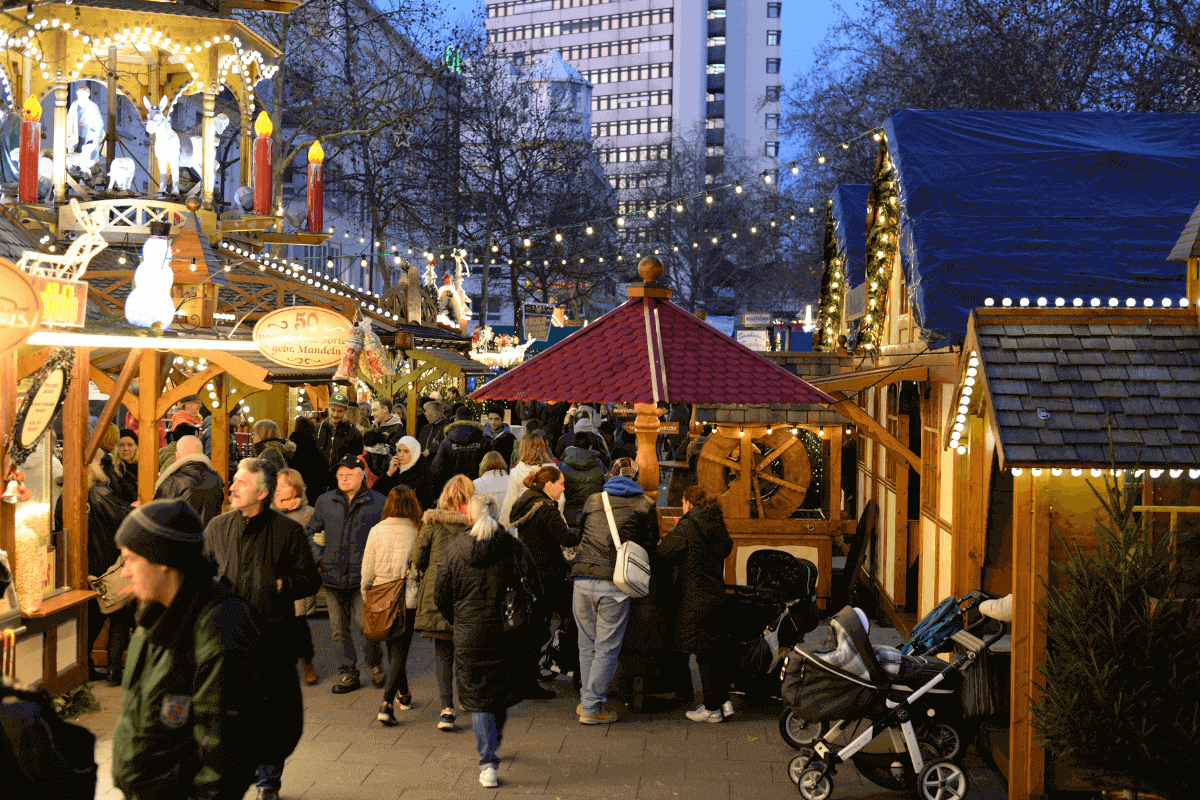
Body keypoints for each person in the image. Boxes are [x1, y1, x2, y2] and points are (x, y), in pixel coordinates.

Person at [111, 500, 277, 800]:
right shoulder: (152, 621)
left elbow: (226, 751)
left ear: (162, 559)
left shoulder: (219, 626)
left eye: (131, 559)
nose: (124, 572)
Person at [203, 458, 320, 800]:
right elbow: (199, 575)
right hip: (226, 642)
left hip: (272, 640)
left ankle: (269, 783)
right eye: (234, 480)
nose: (232, 487)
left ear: (262, 492)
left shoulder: (288, 531)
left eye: (240, 481)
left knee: (272, 717)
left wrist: (281, 585)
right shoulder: (217, 528)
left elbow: (310, 580)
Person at [434, 494, 538, 789]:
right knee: (500, 691)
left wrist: (458, 619)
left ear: (470, 515)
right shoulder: (513, 546)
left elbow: (440, 594)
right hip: (507, 632)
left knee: (479, 697)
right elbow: (533, 584)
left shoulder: (454, 549)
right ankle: (495, 741)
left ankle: (487, 762)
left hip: (469, 634)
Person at [571, 457, 659, 724]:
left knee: (586, 644)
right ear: (636, 479)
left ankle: (587, 699)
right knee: (607, 647)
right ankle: (591, 707)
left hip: (582, 577)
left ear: (609, 476)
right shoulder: (645, 504)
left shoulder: (593, 500)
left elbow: (581, 531)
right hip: (614, 582)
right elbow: (650, 544)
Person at [306, 454, 387, 693]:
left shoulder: (378, 502)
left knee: (367, 627)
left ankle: (375, 666)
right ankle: (348, 673)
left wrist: (378, 567)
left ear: (362, 476)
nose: (343, 478)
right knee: (338, 630)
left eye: (348, 474)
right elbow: (310, 532)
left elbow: (385, 535)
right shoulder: (325, 501)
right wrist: (320, 557)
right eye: (340, 475)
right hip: (332, 576)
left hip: (364, 578)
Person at [658, 485, 734, 723]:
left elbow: (664, 553)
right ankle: (723, 700)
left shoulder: (689, 525)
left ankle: (711, 709)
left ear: (689, 503)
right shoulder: (716, 521)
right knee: (715, 651)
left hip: (695, 596)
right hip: (716, 594)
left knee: (704, 654)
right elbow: (727, 547)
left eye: (683, 503)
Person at [55, 455, 132, 684]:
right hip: (108, 566)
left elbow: (58, 530)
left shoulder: (64, 497)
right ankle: (114, 669)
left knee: (90, 619)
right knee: (120, 614)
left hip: (80, 567)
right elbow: (122, 522)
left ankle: (84, 667)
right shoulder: (101, 493)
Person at [413, 474, 474, 732]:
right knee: (466, 649)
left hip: (437, 595)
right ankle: (469, 698)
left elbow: (418, 557)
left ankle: (446, 709)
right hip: (468, 595)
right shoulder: (476, 525)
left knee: (443, 652)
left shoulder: (433, 524)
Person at [508, 465, 575, 701]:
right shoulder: (546, 508)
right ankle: (539, 671)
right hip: (548, 576)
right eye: (561, 484)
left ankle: (529, 673)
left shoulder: (527, 500)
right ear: (549, 485)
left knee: (536, 625)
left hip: (531, 573)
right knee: (564, 616)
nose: (563, 488)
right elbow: (566, 537)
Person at [362, 486, 423, 727]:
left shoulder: (377, 530)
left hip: (380, 597)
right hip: (407, 598)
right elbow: (419, 569)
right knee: (400, 650)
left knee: (393, 649)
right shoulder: (417, 530)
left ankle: (404, 693)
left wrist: (367, 595)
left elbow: (367, 570)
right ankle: (387, 704)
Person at [274, 468, 320, 686]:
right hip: (273, 577)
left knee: (299, 625)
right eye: (277, 485)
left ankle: (307, 664)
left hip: (297, 578)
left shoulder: (309, 513)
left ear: (295, 488)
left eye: (283, 485)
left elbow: (317, 545)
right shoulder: (269, 512)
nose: (278, 489)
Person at [153, 434, 224, 525]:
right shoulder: (216, 478)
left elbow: (156, 518)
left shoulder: (171, 482)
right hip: (211, 537)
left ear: (177, 456)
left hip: (182, 538)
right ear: (202, 455)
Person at [499, 433, 562, 530]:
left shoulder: (516, 472)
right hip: (550, 524)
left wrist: (503, 528)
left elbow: (510, 503)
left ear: (522, 449)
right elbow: (561, 500)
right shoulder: (554, 470)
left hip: (524, 525)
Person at [431, 406, 493, 487]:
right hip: (478, 487)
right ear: (472, 419)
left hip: (453, 488)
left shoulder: (446, 442)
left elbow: (437, 469)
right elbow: (491, 468)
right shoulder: (485, 441)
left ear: (456, 420)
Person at [374, 435, 436, 508]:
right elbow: (375, 493)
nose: (401, 455)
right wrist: (389, 474)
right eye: (399, 451)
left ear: (414, 452)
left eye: (406, 451)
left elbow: (427, 502)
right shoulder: (393, 465)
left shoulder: (424, 470)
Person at [560, 433, 606, 528]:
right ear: (590, 447)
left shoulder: (562, 467)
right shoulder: (600, 467)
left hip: (568, 516)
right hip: (593, 516)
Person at [316, 392, 364, 477]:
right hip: (318, 481)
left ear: (346, 411)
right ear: (328, 408)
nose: (335, 415)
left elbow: (356, 462)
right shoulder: (316, 429)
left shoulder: (354, 434)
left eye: (340, 411)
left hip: (341, 482)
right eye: (333, 410)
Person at [288, 416, 329, 502]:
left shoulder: (290, 449)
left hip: (293, 494)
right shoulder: (315, 450)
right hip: (314, 495)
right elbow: (324, 475)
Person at [115, 429, 139, 502]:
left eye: (130, 445)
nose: (126, 449)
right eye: (121, 445)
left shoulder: (144, 468)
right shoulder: (115, 470)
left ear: (136, 447)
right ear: (116, 448)